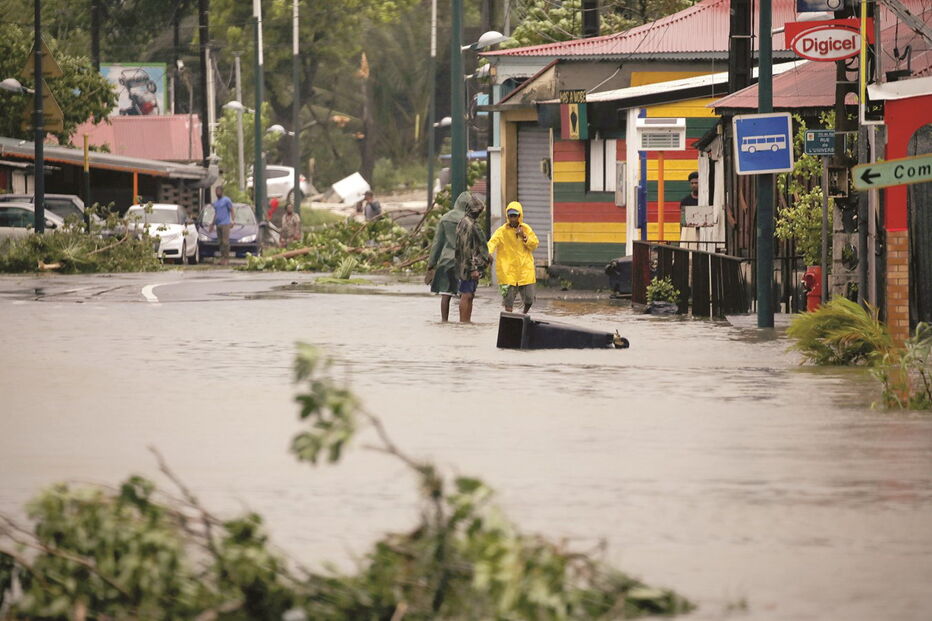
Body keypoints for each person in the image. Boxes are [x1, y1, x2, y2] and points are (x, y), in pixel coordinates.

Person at [487, 201, 539, 314]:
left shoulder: (526, 229)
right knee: (508, 302)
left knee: (529, 300)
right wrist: (489, 253)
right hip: (507, 272)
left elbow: (534, 244)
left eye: (515, 215)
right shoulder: (501, 231)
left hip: (525, 271)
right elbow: (492, 242)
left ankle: (523, 314)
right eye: (510, 215)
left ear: (519, 216)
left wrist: (524, 236)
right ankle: (509, 320)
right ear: (507, 216)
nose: (512, 218)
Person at [426, 191, 470, 321]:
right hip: (463, 261)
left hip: (446, 261)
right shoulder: (469, 221)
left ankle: (444, 321)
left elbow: (437, 244)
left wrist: (431, 264)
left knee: (446, 294)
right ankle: (464, 323)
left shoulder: (445, 218)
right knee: (465, 294)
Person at [454, 194, 491, 323]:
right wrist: (472, 269)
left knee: (470, 295)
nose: (479, 213)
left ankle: (467, 322)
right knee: (466, 295)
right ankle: (464, 322)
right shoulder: (467, 224)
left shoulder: (468, 222)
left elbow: (476, 244)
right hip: (468, 266)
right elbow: (466, 248)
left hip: (469, 265)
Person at [209, 185, 235, 265]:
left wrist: (232, 220)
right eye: (216, 191)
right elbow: (216, 214)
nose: (217, 193)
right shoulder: (216, 203)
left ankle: (226, 259)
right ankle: (222, 258)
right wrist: (212, 224)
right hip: (218, 224)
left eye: (219, 191)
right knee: (220, 242)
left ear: (222, 192)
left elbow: (231, 210)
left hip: (225, 223)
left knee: (225, 242)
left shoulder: (226, 200)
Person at [679, 171, 700, 244]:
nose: (694, 185)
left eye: (696, 183)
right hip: (690, 233)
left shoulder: (705, 199)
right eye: (692, 183)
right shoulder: (685, 201)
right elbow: (682, 220)